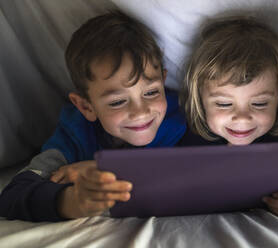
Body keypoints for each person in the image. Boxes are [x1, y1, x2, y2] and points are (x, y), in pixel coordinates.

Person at [0, 11, 205, 222]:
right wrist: (73, 202)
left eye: (151, 92)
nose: (141, 111)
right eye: (117, 102)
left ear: (163, 81)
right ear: (86, 107)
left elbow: (214, 168)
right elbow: (13, 195)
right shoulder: (74, 136)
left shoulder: (183, 118)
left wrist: (111, 169)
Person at [181, 17, 278, 216]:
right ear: (200, 99)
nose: (242, 118)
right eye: (224, 104)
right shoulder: (191, 137)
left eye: (259, 104)